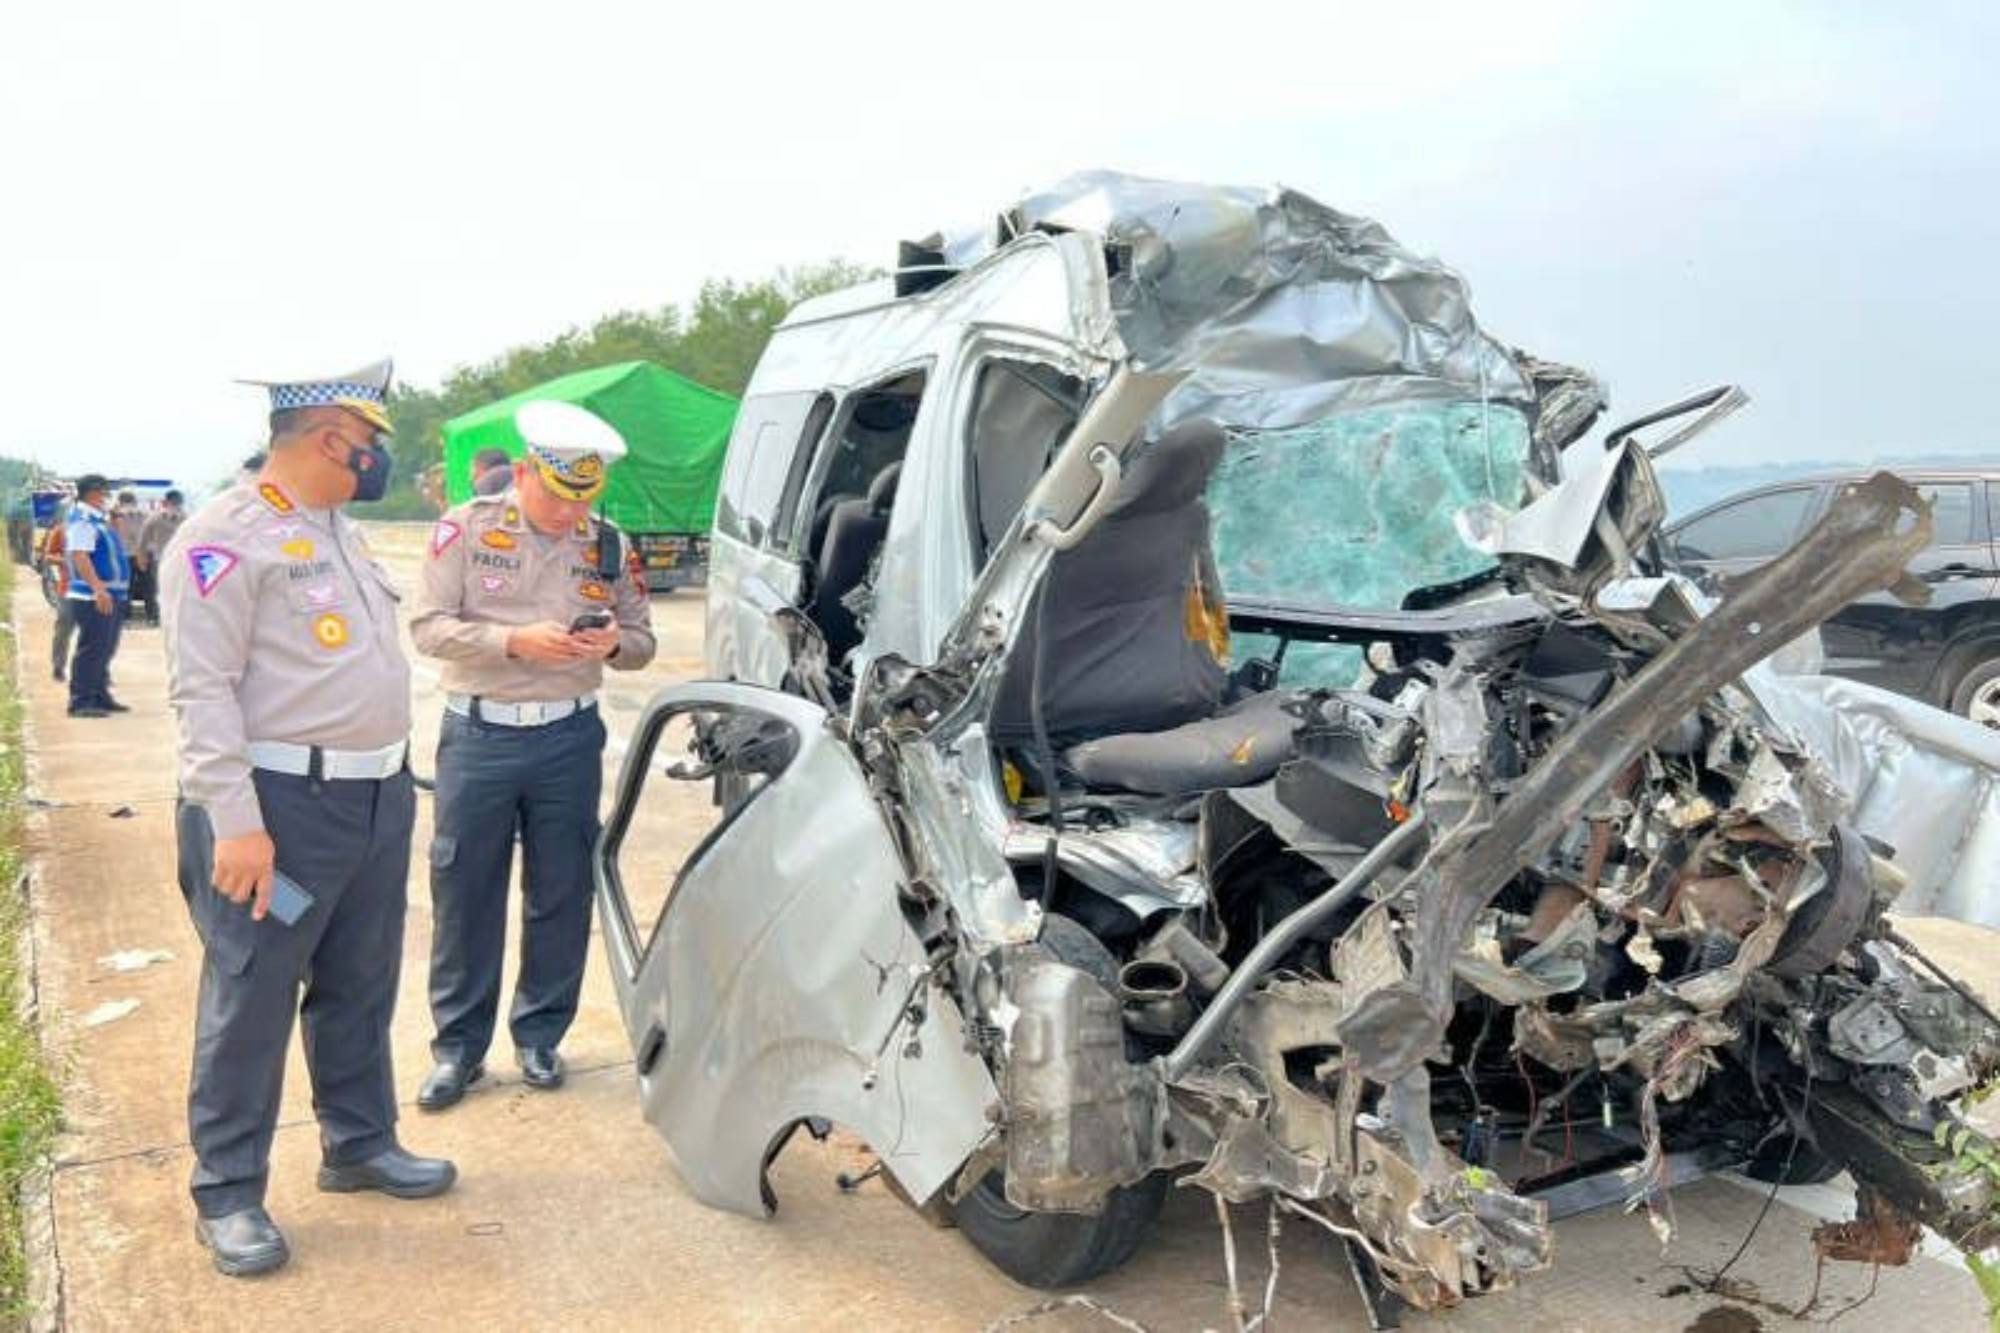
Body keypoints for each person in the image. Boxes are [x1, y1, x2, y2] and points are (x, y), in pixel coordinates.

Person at [160, 359, 454, 1278]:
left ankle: (359, 1142)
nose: (376, 463)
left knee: (360, 982)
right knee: (252, 996)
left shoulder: (336, 530)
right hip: (278, 813)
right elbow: (201, 691)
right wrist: (237, 823)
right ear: (332, 439)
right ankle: (229, 1191)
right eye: (369, 447)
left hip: (373, 799)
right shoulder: (222, 538)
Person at [409, 400, 655, 1109]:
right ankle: (458, 1049)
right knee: (465, 894)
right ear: (522, 471)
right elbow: (427, 627)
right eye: (552, 496)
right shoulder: (464, 528)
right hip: (480, 735)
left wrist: (612, 645)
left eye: (580, 501)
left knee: (560, 890)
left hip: (568, 739)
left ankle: (541, 1034)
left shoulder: (608, 544)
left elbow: (642, 643)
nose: (563, 515)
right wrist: (513, 641)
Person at [64, 475, 131, 717]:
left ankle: (100, 695)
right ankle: (81, 701)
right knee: (93, 648)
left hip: (111, 594)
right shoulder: (82, 520)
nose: (106, 497)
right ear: (93, 493)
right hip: (92, 596)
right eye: (104, 492)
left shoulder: (98, 519)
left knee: (106, 647)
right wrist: (98, 589)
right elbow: (80, 556)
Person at [131, 489, 185, 625]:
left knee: (178, 589)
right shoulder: (154, 519)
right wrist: (141, 558)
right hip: (160, 560)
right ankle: (155, 617)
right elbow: (142, 540)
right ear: (166, 503)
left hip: (181, 561)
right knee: (156, 589)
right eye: (173, 503)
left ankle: (174, 617)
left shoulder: (187, 519)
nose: (175, 507)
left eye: (178, 504)